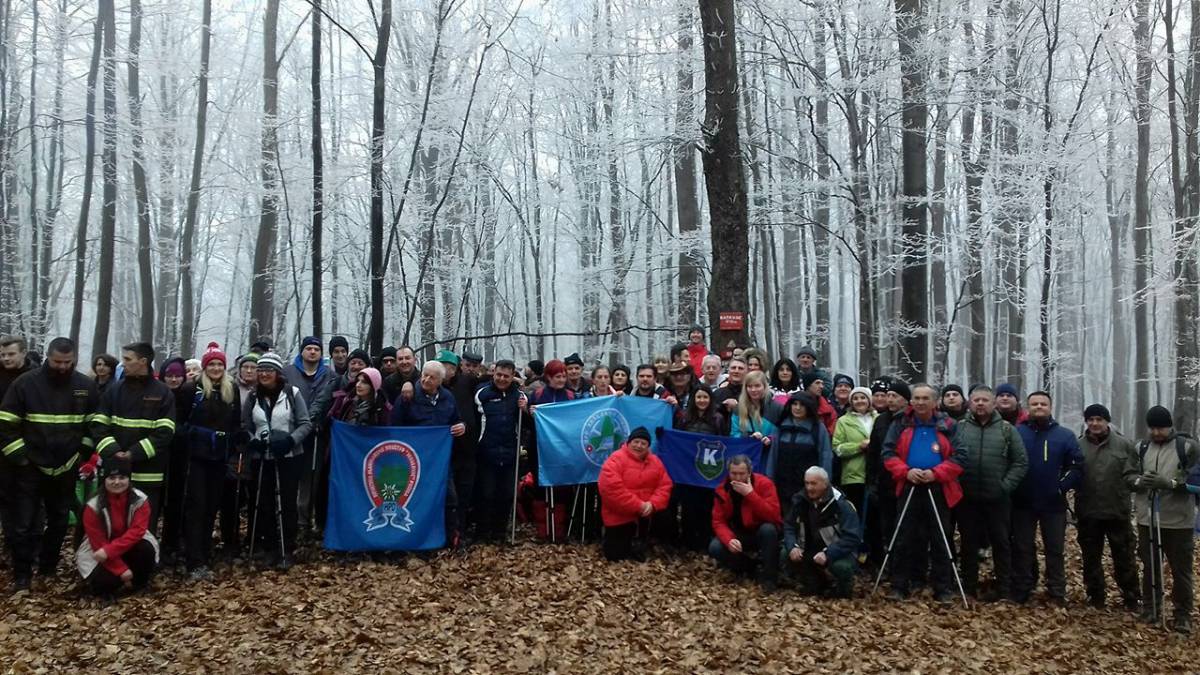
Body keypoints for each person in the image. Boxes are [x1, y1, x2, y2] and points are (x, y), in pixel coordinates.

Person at [0, 337, 98, 592]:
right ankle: (22, 573)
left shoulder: (85, 386)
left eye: (68, 362)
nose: (62, 367)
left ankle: (48, 566)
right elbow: (7, 424)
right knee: (24, 522)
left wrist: (82, 454)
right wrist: (20, 457)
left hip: (66, 466)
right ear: (48, 357)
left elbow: (93, 424)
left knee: (60, 519)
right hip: (30, 465)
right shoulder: (25, 384)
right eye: (57, 362)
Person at [881, 383, 963, 602]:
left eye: (925, 398)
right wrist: (905, 472)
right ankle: (900, 585)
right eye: (916, 398)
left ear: (935, 402)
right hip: (908, 484)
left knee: (940, 538)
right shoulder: (900, 423)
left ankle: (943, 587)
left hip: (939, 487)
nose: (920, 402)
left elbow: (961, 456)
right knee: (904, 536)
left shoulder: (949, 424)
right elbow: (888, 453)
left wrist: (936, 473)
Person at [91, 342, 176, 535]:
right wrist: (114, 452)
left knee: (144, 527)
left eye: (128, 359)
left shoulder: (163, 393)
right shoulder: (114, 390)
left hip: (148, 474)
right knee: (112, 525)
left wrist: (132, 454)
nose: (123, 364)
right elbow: (98, 424)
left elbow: (165, 432)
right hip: (115, 473)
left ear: (143, 361)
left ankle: (144, 564)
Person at [952, 385, 1027, 602]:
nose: (981, 404)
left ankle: (1004, 588)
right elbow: (950, 457)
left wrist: (1005, 486)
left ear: (993, 403)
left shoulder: (1006, 429)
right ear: (970, 403)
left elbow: (1020, 462)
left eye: (985, 400)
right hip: (967, 498)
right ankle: (969, 588)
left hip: (998, 498)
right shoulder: (960, 427)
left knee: (1001, 543)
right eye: (976, 400)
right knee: (968, 543)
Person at [1129, 406, 1198, 633]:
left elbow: (1196, 482)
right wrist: (1140, 481)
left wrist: (1170, 484)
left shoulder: (1187, 447)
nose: (1157, 432)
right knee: (1150, 566)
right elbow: (1127, 475)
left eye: (1161, 427)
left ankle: (1182, 615)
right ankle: (1151, 608)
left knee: (1181, 570)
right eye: (1153, 427)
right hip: (1147, 518)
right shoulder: (1141, 447)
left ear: (1170, 426)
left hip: (1178, 521)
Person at [1011, 391, 1084, 606]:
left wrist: (1061, 486)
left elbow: (1077, 466)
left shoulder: (1065, 435)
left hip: (1053, 503)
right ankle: (1023, 588)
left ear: (1050, 407)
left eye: (1043, 403)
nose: (1039, 407)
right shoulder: (1016, 433)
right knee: (1023, 547)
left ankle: (1056, 592)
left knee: (1054, 549)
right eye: (1034, 404)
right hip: (1022, 501)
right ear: (1028, 407)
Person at [241, 352, 310, 570]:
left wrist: (291, 440)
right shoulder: (253, 397)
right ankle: (270, 547)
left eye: (268, 370)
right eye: (261, 370)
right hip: (262, 457)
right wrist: (253, 441)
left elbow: (306, 423)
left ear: (278, 373)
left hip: (288, 456)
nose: (263, 374)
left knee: (287, 503)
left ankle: (287, 548)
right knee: (265, 503)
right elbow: (245, 426)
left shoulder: (292, 393)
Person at [182, 342, 241, 581]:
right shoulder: (192, 389)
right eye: (212, 364)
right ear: (205, 367)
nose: (216, 368)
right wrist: (196, 434)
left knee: (211, 507)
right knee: (197, 506)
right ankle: (193, 560)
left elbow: (235, 423)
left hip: (220, 458)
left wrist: (238, 442)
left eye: (220, 364)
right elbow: (180, 422)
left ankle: (204, 554)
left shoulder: (231, 389)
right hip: (196, 456)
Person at [1076, 403, 1139, 611]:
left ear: (1107, 421)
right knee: (1091, 558)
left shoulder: (1125, 445)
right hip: (1088, 512)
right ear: (1086, 422)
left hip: (1117, 511)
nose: (1095, 423)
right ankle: (1096, 596)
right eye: (1091, 419)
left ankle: (1131, 597)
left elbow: (1133, 475)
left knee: (1125, 558)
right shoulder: (1078, 446)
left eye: (1099, 419)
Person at [77, 457, 158, 597]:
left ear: (129, 479)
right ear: (104, 479)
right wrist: (121, 570)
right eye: (112, 478)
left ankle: (137, 583)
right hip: (99, 551)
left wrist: (109, 551)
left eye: (122, 477)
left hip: (119, 548)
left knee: (146, 549)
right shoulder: (93, 506)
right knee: (105, 583)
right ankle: (122, 580)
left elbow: (137, 531)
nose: (117, 482)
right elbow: (98, 543)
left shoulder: (140, 500)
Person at [784, 466, 861, 598]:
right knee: (784, 553)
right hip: (808, 547)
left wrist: (828, 553)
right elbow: (789, 525)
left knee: (842, 567)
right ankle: (805, 581)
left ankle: (843, 590)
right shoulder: (800, 500)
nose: (809, 488)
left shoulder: (842, 505)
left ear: (825, 484)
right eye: (807, 483)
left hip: (837, 550)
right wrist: (792, 546)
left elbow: (852, 538)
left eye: (814, 483)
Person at [597, 426, 673, 561]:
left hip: (647, 515)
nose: (639, 446)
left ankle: (647, 541)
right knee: (615, 556)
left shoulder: (655, 461)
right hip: (619, 515)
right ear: (629, 442)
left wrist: (653, 504)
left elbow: (665, 486)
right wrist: (639, 506)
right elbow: (612, 490)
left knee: (666, 517)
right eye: (636, 442)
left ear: (648, 446)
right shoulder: (615, 459)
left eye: (643, 443)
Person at [708, 455, 782, 592]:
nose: (737, 478)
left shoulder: (764, 484)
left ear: (749, 472)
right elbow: (718, 521)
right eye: (733, 473)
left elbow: (774, 516)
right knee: (715, 547)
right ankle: (750, 567)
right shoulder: (722, 489)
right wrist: (729, 540)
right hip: (737, 532)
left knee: (769, 530)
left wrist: (751, 495)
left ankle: (770, 578)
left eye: (741, 474)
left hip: (760, 530)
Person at [473, 360, 528, 543]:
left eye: (506, 376)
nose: (502, 379)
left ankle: (500, 533)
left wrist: (525, 410)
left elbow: (526, 424)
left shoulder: (519, 396)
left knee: (506, 495)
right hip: (486, 451)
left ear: (513, 376)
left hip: (510, 453)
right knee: (486, 494)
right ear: (493, 373)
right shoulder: (482, 393)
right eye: (499, 375)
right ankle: (482, 533)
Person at [282, 336, 328, 539]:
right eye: (308, 348)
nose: (312, 352)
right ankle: (287, 519)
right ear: (302, 351)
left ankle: (305, 520)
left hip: (317, 435)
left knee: (311, 479)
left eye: (316, 349)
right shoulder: (288, 372)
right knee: (290, 477)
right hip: (290, 433)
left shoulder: (329, 375)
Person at [157, 356, 196, 569]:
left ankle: (173, 543)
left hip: (182, 455)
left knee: (177, 501)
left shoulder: (189, 394)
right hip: (158, 453)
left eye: (177, 376)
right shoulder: (157, 395)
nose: (173, 380)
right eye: (169, 376)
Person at [770, 391, 833, 515]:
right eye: (794, 404)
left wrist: (825, 484)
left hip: (808, 487)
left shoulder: (818, 428)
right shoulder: (781, 427)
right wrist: (770, 480)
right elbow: (773, 456)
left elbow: (825, 455)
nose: (797, 408)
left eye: (802, 405)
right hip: (782, 486)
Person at [866, 378, 907, 566]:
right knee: (887, 527)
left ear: (905, 399)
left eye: (894, 396)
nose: (889, 399)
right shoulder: (881, 420)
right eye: (888, 395)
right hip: (883, 483)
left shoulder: (911, 420)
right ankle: (890, 566)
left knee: (906, 527)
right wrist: (871, 481)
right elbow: (874, 452)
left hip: (906, 481)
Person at [832, 386, 876, 515]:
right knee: (855, 513)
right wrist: (858, 447)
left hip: (875, 474)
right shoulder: (843, 421)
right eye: (855, 398)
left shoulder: (878, 419)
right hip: (853, 476)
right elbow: (837, 448)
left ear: (869, 400)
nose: (859, 401)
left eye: (863, 397)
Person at [729, 371, 780, 453]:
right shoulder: (738, 408)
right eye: (749, 386)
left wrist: (771, 438)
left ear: (764, 386)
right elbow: (734, 434)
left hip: (768, 454)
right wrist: (749, 436)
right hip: (746, 453)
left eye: (757, 386)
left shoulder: (777, 408)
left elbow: (782, 433)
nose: (753, 390)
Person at [802, 372, 838, 436]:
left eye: (822, 384)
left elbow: (831, 430)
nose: (821, 386)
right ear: (808, 385)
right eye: (817, 383)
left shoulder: (829, 410)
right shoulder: (795, 404)